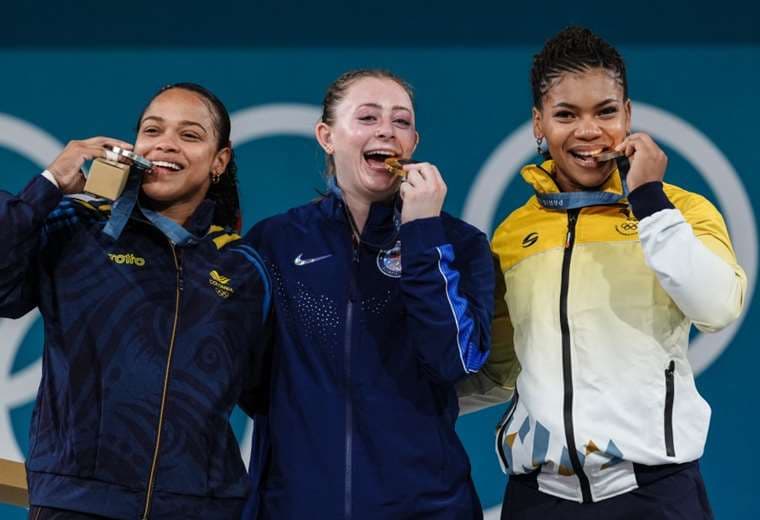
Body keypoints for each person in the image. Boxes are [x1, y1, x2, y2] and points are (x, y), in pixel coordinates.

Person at [464, 27, 746, 519]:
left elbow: (718, 307)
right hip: (537, 500)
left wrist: (651, 205)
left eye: (606, 112)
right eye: (566, 114)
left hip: (655, 495)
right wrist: (399, 402)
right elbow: (501, 368)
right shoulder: (513, 235)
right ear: (538, 124)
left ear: (629, 115)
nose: (588, 131)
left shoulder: (680, 211)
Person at [0, 83, 271, 519]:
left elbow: (268, 394)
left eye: (190, 134)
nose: (166, 143)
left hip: (199, 510)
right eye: (153, 130)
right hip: (79, 506)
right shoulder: (77, 227)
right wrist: (48, 184)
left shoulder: (242, 267)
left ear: (219, 160)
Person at [244, 69, 494, 519]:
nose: (386, 131)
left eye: (401, 122)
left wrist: (422, 234)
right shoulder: (276, 243)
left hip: (426, 508)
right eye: (367, 117)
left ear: (413, 144)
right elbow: (250, 383)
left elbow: (452, 360)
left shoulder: (459, 243)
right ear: (327, 136)